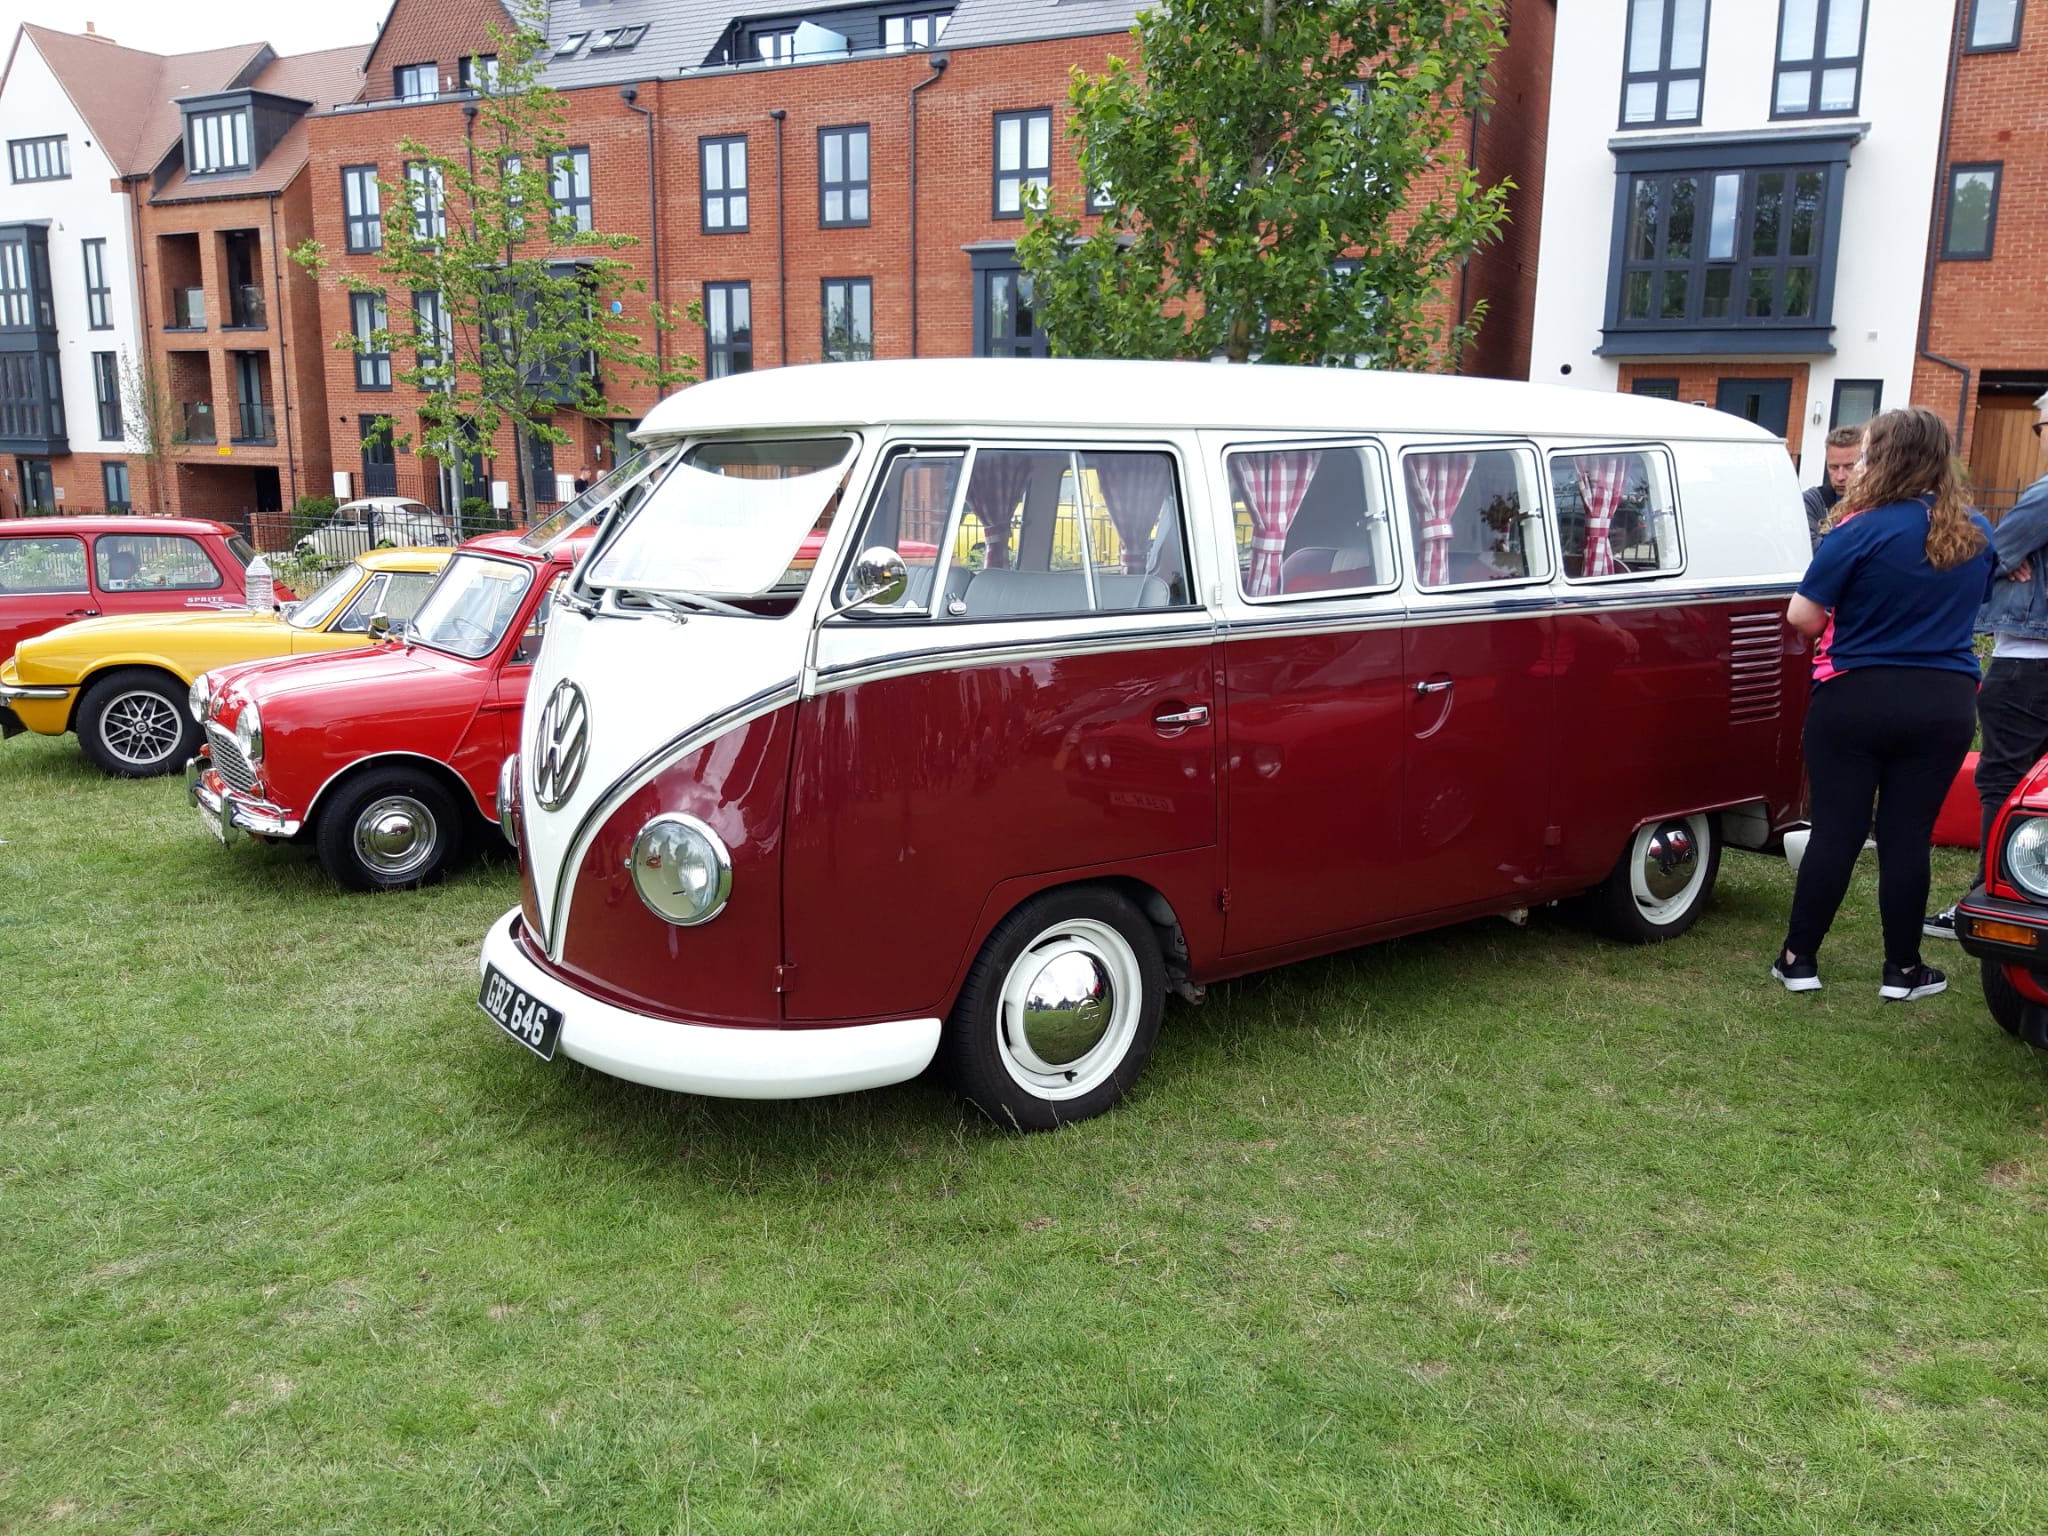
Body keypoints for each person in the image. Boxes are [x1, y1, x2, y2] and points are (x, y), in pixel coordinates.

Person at [1775, 407, 1997, 999]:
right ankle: (1902, 970)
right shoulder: (1976, 530)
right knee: (1907, 836)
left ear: (1887, 457)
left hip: (1857, 694)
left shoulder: (1859, 529)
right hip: (1944, 699)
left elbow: (1803, 615)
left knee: (1837, 832)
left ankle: (1799, 959)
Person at [1928, 387, 2048, 939]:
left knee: (2004, 782)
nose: (2039, 437)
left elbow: (1986, 556)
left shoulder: (2045, 493)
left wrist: (1998, 563)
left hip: (2028, 661)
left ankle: (1993, 897)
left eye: (2040, 428)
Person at [1802, 425, 1865, 549]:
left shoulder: (1881, 503)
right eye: (1833, 467)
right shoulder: (1812, 501)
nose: (1840, 476)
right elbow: (1808, 548)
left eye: (1849, 467)